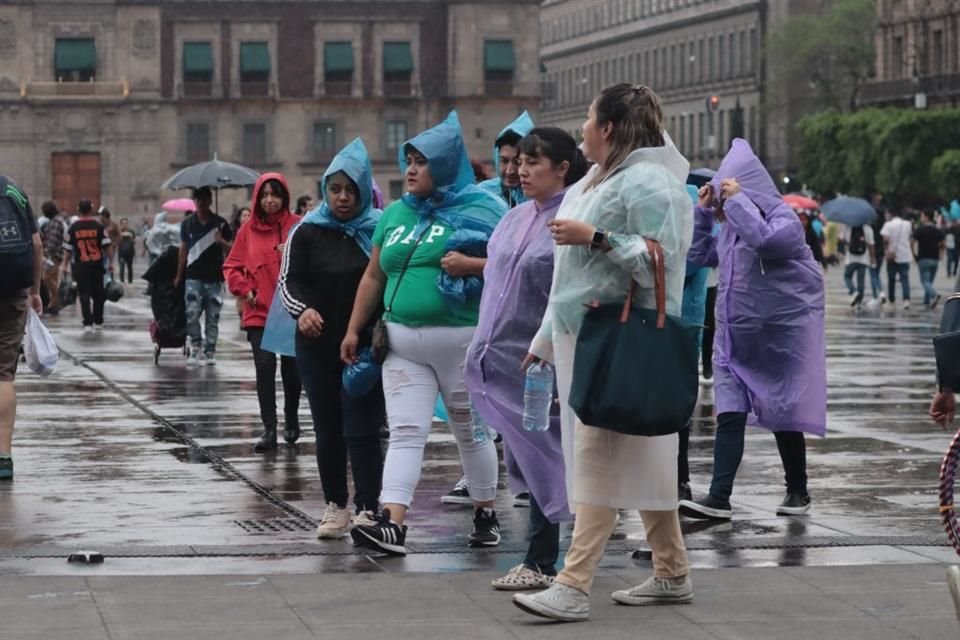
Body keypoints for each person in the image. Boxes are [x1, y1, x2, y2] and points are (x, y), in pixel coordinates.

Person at [512, 84, 693, 622]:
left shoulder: (649, 182)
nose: (584, 128)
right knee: (641, 458)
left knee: (596, 456)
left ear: (609, 128)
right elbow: (570, 276)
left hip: (616, 339)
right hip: (587, 333)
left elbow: (663, 259)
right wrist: (546, 339)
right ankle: (672, 570)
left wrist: (597, 237)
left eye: (589, 118)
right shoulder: (597, 178)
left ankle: (573, 582)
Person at [342, 112, 507, 556]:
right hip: (400, 344)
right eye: (409, 159)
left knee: (469, 431)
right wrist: (354, 328)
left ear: (447, 165)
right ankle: (392, 521)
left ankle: (485, 511)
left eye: (422, 161)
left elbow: (513, 268)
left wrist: (470, 266)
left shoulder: (485, 208)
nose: (411, 169)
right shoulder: (395, 212)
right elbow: (374, 275)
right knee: (406, 431)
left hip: (462, 343)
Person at [465, 128, 587, 590]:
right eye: (519, 162)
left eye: (534, 162)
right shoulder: (514, 218)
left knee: (546, 453)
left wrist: (547, 345)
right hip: (502, 358)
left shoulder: (572, 219)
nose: (521, 170)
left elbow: (571, 292)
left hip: (547, 361)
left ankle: (542, 560)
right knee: (530, 456)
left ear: (562, 168)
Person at [680, 139, 826, 522]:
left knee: (783, 412)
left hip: (776, 340)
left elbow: (766, 240)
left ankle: (798, 489)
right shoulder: (729, 228)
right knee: (729, 413)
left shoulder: (784, 219)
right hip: (732, 340)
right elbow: (697, 257)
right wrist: (704, 215)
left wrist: (738, 201)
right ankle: (719, 496)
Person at [279, 138, 386, 538]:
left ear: (363, 190)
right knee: (327, 428)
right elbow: (288, 282)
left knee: (362, 427)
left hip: (363, 347)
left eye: (351, 190)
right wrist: (302, 311)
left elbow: (387, 282)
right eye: (335, 189)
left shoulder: (378, 230)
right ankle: (336, 506)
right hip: (317, 347)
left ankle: (368, 508)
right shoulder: (305, 232)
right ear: (325, 189)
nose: (343, 198)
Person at [223, 174, 302, 452]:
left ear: (285, 198)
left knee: (293, 373)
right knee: (264, 369)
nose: (270, 200)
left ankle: (291, 418)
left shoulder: (297, 226)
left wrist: (292, 250)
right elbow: (231, 267)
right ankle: (269, 428)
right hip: (258, 311)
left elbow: (313, 262)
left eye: (275, 195)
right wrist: (245, 289)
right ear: (257, 198)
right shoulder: (247, 231)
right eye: (265, 195)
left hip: (290, 311)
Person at [0, 176, 43, 480]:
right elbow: (37, 244)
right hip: (14, 288)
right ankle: (4, 456)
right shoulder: (15, 189)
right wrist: (35, 291)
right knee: (3, 374)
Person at [174, 186, 233, 365]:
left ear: (209, 201)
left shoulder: (221, 224)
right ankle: (196, 346)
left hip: (215, 277)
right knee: (191, 312)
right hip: (193, 276)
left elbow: (233, 249)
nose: (201, 203)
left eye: (204, 200)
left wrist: (220, 241)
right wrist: (179, 274)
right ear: (195, 202)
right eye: (198, 200)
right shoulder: (187, 223)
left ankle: (210, 350)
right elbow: (183, 248)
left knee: (212, 316)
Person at [62, 199, 110, 332]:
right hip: (96, 264)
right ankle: (98, 321)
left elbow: (68, 249)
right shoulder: (99, 226)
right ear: (91, 210)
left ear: (78, 210)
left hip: (80, 265)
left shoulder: (73, 228)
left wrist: (65, 265)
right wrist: (111, 263)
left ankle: (87, 323)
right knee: (98, 293)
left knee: (83, 293)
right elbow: (107, 246)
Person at [477, 111, 535, 208]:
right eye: (504, 161)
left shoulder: (540, 198)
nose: (510, 171)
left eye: (517, 162)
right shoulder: (482, 194)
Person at [880, 208, 913, 310]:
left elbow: (885, 239)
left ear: (891, 214)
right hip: (905, 255)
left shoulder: (888, 225)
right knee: (905, 278)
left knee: (891, 279)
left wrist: (886, 249)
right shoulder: (908, 224)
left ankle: (892, 300)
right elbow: (910, 237)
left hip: (892, 256)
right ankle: (906, 300)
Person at [913, 210, 944, 309]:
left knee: (924, 281)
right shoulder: (937, 230)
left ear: (926, 217)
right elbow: (943, 244)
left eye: (922, 216)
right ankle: (926, 301)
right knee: (929, 281)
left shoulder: (920, 230)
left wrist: (914, 254)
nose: (921, 218)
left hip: (923, 258)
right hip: (935, 259)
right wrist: (941, 255)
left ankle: (934, 295)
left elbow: (911, 242)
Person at [39, 201, 65, 314]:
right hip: (55, 255)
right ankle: (54, 303)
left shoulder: (55, 222)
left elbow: (52, 241)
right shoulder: (55, 221)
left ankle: (58, 298)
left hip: (53, 255)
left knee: (47, 277)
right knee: (52, 278)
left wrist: (46, 254)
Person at [842, 222, 875, 309]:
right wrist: (872, 258)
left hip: (850, 259)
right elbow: (871, 244)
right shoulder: (868, 228)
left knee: (847, 276)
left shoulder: (847, 226)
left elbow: (843, 240)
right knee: (861, 280)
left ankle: (854, 292)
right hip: (863, 259)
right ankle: (859, 302)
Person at [117, 218, 137, 284]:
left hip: (130, 252)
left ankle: (130, 281)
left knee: (130, 267)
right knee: (122, 267)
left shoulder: (131, 232)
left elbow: (134, 241)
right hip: (121, 252)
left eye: (126, 223)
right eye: (123, 223)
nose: (124, 225)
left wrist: (130, 238)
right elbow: (117, 241)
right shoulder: (119, 231)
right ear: (121, 224)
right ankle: (122, 281)